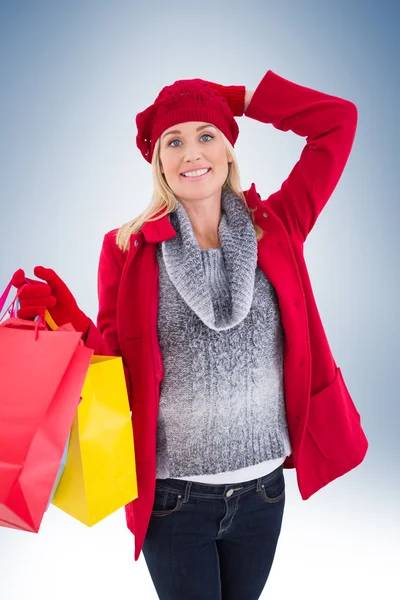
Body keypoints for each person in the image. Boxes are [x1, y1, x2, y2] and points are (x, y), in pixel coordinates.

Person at [12, 69, 368, 600]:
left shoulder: (278, 223)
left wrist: (245, 99)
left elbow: (338, 122)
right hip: (174, 501)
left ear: (227, 149)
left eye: (207, 134)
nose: (191, 152)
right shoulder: (128, 248)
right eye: (173, 141)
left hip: (264, 494)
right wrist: (65, 321)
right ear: (158, 162)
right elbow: (114, 362)